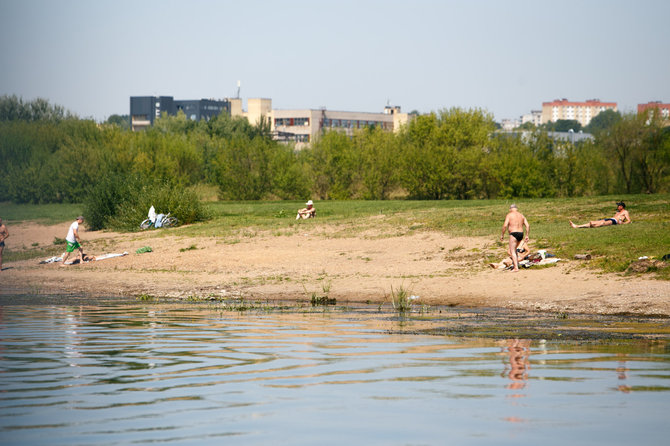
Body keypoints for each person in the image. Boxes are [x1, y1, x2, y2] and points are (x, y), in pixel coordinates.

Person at [500, 204, 530, 272]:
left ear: (510, 209)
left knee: (512, 250)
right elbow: (527, 225)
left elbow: (505, 225)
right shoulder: (521, 215)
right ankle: (516, 264)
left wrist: (502, 235)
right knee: (515, 250)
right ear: (516, 209)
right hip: (521, 233)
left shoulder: (509, 215)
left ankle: (516, 268)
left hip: (513, 233)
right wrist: (527, 235)